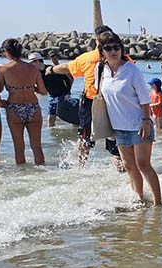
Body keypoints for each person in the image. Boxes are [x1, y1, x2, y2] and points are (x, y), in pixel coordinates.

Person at [96, 32, 161, 206]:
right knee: (130, 167)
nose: (113, 51)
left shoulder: (132, 70)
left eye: (116, 47)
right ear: (102, 51)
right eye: (108, 48)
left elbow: (145, 100)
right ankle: (138, 200)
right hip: (119, 127)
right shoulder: (101, 70)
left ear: (121, 48)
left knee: (143, 165)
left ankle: (158, 204)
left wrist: (147, 121)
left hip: (139, 124)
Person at [48, 25, 122, 165]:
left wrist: (51, 70)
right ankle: (119, 166)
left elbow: (67, 67)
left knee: (85, 137)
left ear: (96, 40)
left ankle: (80, 166)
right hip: (112, 101)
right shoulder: (120, 56)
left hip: (92, 101)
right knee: (114, 136)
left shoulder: (88, 57)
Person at [0, 38, 47, 165]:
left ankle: (22, 179)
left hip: (14, 108)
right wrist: (29, 87)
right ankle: (42, 174)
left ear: (7, 51)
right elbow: (43, 91)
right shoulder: (33, 68)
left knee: (19, 148)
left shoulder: (2, 68)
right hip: (33, 107)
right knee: (37, 147)